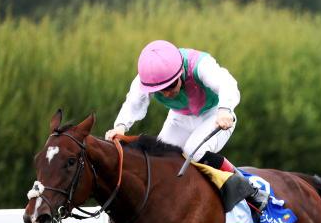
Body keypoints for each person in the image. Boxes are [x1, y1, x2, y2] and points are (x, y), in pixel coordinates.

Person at [105, 39, 268, 213]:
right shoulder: (146, 79)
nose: (167, 93)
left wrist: (224, 110)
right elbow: (133, 103)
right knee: (159, 160)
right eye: (161, 90)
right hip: (180, 117)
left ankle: (250, 190)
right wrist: (120, 126)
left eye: (170, 85)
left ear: (181, 71)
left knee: (193, 152)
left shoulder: (200, 64)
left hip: (214, 113)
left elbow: (227, 83)